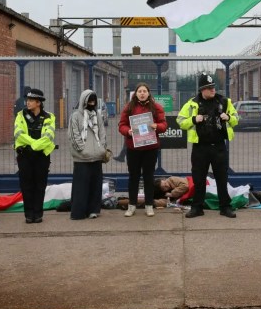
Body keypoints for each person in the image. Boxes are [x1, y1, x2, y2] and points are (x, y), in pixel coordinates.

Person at [176, 72, 239, 218]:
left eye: (213, 87)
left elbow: (236, 119)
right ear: (202, 90)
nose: (213, 90)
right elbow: (180, 121)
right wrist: (193, 119)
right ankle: (197, 208)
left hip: (219, 146)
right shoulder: (192, 103)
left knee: (222, 178)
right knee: (199, 179)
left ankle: (225, 207)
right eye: (209, 88)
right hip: (200, 147)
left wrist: (229, 117)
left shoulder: (224, 102)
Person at [118, 83, 167, 217]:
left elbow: (164, 125)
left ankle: (149, 206)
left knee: (148, 177)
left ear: (148, 93)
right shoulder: (129, 107)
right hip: (133, 148)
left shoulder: (156, 107)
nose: (142, 93)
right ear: (136, 93)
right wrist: (128, 131)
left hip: (150, 148)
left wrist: (156, 126)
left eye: (144, 91)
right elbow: (121, 125)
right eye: (139, 91)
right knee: (133, 177)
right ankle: (131, 206)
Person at [14, 88, 56, 223]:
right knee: (26, 186)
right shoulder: (20, 115)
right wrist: (34, 144)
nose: (28, 102)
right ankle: (28, 214)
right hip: (25, 155)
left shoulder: (49, 117)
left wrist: (33, 146)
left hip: (41, 156)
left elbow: (48, 136)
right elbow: (18, 134)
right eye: (28, 100)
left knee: (40, 186)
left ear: (39, 102)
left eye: (31, 100)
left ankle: (38, 214)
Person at [68, 89, 107, 220]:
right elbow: (74, 135)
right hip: (82, 158)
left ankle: (93, 210)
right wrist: (82, 150)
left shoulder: (97, 115)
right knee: (81, 187)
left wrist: (102, 149)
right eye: (89, 100)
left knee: (95, 185)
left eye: (93, 100)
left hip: (96, 157)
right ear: (83, 101)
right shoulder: (75, 116)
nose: (91, 102)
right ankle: (78, 212)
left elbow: (102, 133)